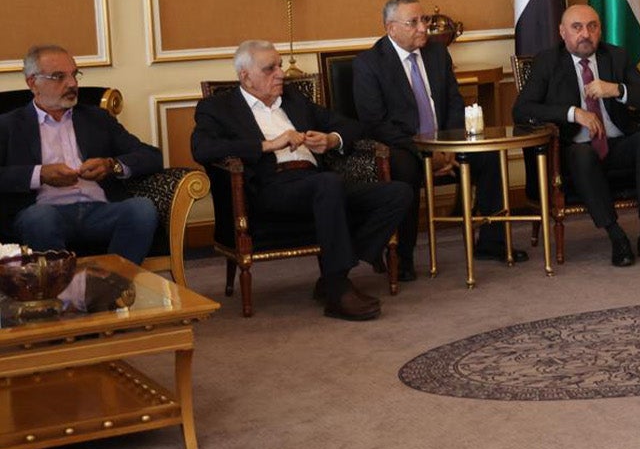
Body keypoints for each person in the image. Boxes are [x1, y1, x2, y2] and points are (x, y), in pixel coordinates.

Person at [192, 41, 409, 321]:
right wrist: (267, 145)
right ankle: (338, 291)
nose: (280, 74)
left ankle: (334, 275)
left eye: (280, 66)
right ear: (245, 76)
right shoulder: (218, 107)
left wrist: (331, 140)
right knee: (328, 183)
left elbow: (351, 125)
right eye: (270, 69)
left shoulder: (293, 99)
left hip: (317, 182)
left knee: (397, 193)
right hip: (271, 188)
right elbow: (202, 149)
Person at [352, 0, 520, 281]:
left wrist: (451, 145)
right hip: (402, 146)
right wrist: (426, 152)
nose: (423, 28)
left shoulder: (437, 53)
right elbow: (375, 123)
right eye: (414, 22)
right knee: (404, 169)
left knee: (490, 155)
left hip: (445, 142)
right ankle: (402, 256)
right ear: (391, 28)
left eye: (425, 19)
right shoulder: (369, 63)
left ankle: (492, 242)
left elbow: (454, 103)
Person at [513, 4, 640, 267]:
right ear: (562, 32)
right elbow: (521, 110)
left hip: (616, 144)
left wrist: (618, 90)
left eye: (592, 27)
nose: (585, 34)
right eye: (577, 27)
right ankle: (616, 236)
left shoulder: (616, 56)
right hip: (574, 150)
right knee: (582, 154)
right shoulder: (548, 62)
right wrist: (573, 113)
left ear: (600, 30)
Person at [0, 45, 161, 262]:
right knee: (41, 218)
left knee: (142, 209)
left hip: (100, 210)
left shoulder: (97, 118)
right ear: (32, 82)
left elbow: (151, 156)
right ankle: (62, 282)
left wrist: (111, 165)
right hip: (44, 211)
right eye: (59, 77)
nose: (72, 84)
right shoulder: (8, 125)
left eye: (74, 75)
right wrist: (40, 175)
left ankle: (112, 280)